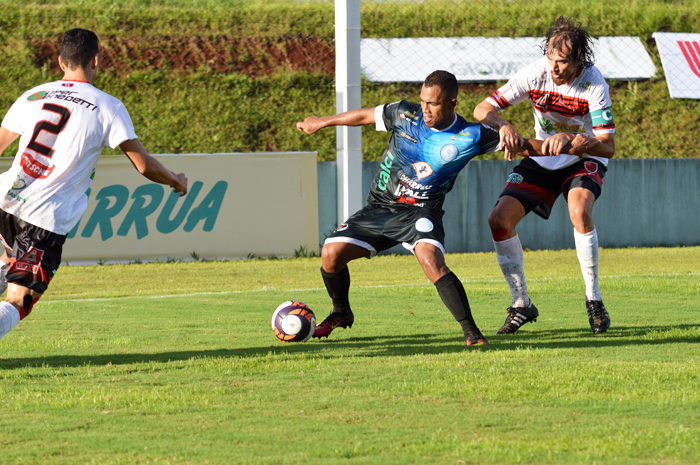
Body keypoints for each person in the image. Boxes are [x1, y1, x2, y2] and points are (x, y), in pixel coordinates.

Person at [0, 28, 188, 340]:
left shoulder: (34, 95)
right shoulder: (107, 106)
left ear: (61, 62)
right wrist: (175, 180)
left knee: (6, 267)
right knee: (19, 300)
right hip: (43, 218)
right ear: (96, 60)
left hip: (4, 199)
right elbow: (143, 165)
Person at [296, 70, 507, 346]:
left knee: (431, 261)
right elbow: (364, 116)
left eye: (433, 103)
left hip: (422, 211)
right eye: (423, 101)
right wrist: (321, 122)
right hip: (380, 207)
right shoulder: (404, 114)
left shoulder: (470, 135)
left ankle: (471, 332)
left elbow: (522, 145)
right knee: (330, 253)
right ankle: (341, 312)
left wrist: (562, 146)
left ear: (452, 103)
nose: (425, 109)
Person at [473, 16, 616, 335]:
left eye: (562, 62)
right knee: (498, 219)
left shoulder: (593, 83)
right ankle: (521, 303)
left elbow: (609, 146)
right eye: (551, 59)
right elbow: (482, 109)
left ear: (579, 61)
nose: (554, 68)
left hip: (583, 158)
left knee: (579, 211)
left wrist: (581, 144)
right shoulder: (535, 73)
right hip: (541, 158)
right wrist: (504, 125)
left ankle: (593, 299)